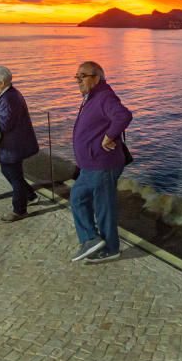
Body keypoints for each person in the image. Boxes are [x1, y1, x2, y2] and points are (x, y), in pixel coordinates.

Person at [70, 61, 133, 264]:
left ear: (97, 78)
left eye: (83, 76)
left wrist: (109, 136)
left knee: (103, 207)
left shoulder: (104, 96)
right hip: (91, 164)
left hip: (102, 164)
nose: (78, 80)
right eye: (76, 76)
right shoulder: (91, 96)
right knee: (78, 197)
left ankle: (110, 248)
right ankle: (91, 239)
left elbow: (123, 115)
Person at [0, 66, 39, 222]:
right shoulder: (9, 94)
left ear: (3, 82)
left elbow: (3, 125)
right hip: (15, 144)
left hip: (12, 146)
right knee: (13, 174)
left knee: (14, 177)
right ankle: (31, 195)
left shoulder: (8, 98)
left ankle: (20, 210)